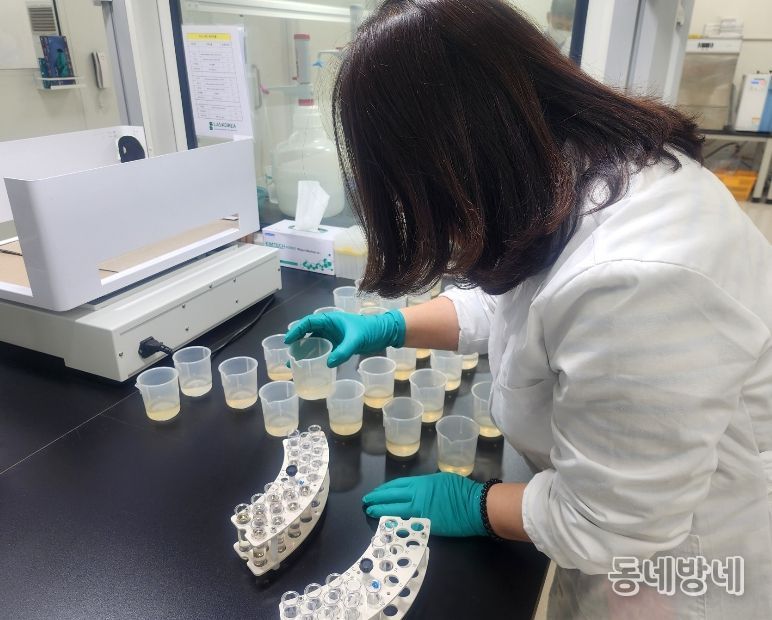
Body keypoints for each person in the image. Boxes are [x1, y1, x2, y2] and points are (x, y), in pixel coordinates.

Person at [285, 0, 772, 617]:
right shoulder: (579, 173)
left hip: (681, 569)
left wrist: (476, 505)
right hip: (630, 524)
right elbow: (523, 307)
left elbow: (606, 524)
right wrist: (388, 325)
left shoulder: (635, 282)